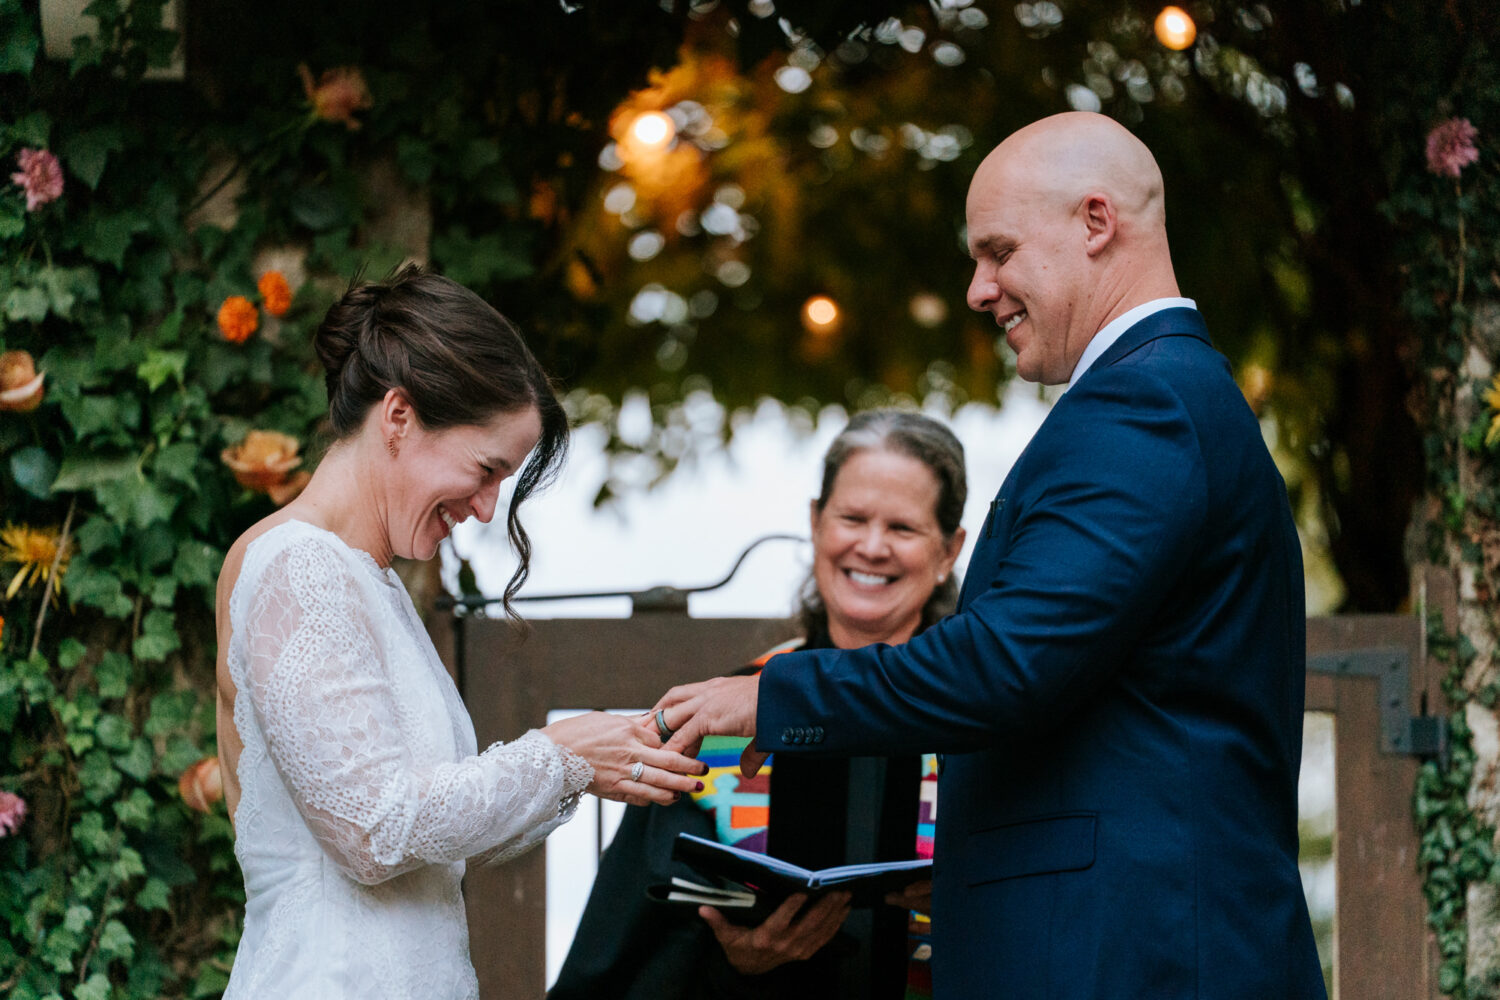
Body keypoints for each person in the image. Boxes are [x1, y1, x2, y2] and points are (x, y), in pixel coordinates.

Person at [653, 112, 1327, 999]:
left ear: (1096, 223)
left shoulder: (1144, 407)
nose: (980, 289)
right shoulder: (1166, 395)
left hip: (1141, 956)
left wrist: (772, 695)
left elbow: (1009, 662)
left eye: (999, 251)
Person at [213, 264, 706, 1000]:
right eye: (485, 470)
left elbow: (434, 845)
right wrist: (557, 757)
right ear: (400, 416)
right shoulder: (297, 565)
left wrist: (596, 762)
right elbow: (374, 831)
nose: (484, 509)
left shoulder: (369, 580)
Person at [549, 410, 966, 1000]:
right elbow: (632, 949)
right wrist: (734, 964)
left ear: (949, 550)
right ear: (816, 523)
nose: (872, 547)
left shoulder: (982, 718)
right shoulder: (722, 722)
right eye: (852, 518)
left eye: (902, 528)